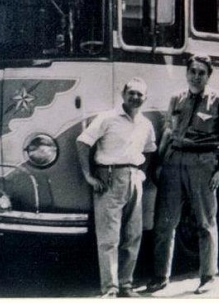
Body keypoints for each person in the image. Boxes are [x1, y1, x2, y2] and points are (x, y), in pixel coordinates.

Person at [147, 54, 219, 295]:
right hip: (173, 161)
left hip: (202, 162)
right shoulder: (176, 98)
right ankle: (160, 276)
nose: (196, 76)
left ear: (208, 75)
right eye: (193, 71)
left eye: (202, 72)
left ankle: (208, 276)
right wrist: (158, 163)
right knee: (164, 223)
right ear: (186, 73)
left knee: (205, 222)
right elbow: (168, 131)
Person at [76, 77, 156, 298]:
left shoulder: (146, 124)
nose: (135, 98)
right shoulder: (107, 118)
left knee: (133, 234)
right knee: (109, 238)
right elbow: (82, 142)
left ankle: (126, 284)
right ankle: (110, 288)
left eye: (140, 94)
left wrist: (142, 171)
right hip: (108, 177)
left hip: (134, 179)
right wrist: (88, 176)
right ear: (123, 95)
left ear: (145, 98)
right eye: (132, 93)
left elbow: (149, 150)